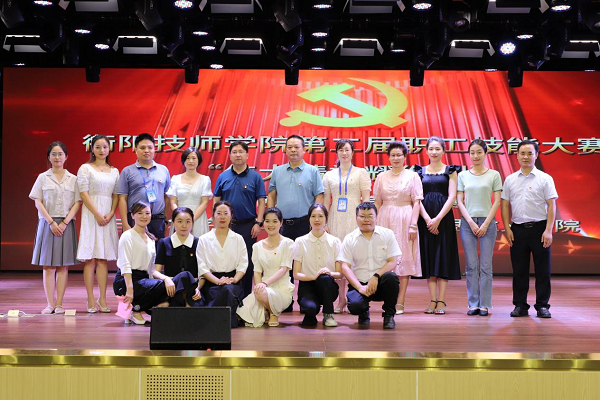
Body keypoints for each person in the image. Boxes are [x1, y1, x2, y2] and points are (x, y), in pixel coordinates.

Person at [501, 139, 558, 319]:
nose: (526, 157)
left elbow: (552, 205)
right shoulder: (510, 179)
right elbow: (504, 205)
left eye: (530, 153)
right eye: (522, 153)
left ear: (536, 155)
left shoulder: (545, 178)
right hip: (517, 229)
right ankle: (520, 305)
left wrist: (548, 230)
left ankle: (542, 306)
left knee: (543, 270)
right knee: (519, 270)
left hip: (540, 229)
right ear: (517, 155)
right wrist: (507, 228)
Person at [267, 134, 324, 311]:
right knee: (283, 263)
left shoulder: (312, 171)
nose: (293, 150)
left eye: (296, 147)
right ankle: (286, 301)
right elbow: (271, 195)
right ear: (285, 150)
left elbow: (319, 196)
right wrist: (271, 218)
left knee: (305, 263)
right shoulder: (278, 171)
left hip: (305, 224)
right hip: (283, 225)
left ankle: (307, 300)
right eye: (289, 147)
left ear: (304, 149)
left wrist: (316, 220)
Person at [113, 202, 190, 325]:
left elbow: (151, 270)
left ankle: (148, 308)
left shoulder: (151, 239)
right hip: (126, 281)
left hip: (143, 280)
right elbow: (125, 265)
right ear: (132, 215)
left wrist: (166, 279)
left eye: (147, 213)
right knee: (168, 288)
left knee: (177, 282)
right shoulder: (127, 236)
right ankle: (135, 309)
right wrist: (130, 290)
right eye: (140, 213)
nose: (144, 216)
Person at [30, 141, 81, 315]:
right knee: (48, 266)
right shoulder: (42, 177)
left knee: (62, 266)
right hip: (47, 223)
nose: (57, 157)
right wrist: (51, 222)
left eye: (60, 154)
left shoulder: (73, 179)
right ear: (49, 157)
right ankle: (49, 304)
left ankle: (59, 304)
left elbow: (77, 203)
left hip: (66, 224)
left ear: (66, 157)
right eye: (54, 154)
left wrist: (65, 222)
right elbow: (38, 201)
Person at [374, 141, 423, 315]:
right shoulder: (381, 177)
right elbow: (377, 202)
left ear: (404, 157)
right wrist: (374, 224)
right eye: (393, 155)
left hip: (405, 219)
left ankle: (400, 301)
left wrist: (413, 224)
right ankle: (388, 300)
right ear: (388, 157)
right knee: (386, 259)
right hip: (385, 218)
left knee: (404, 259)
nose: (396, 158)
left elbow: (416, 202)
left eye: (399, 155)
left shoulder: (413, 176)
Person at [322, 139, 371, 314]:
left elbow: (366, 199)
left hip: (354, 218)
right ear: (336, 152)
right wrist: (325, 222)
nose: (344, 153)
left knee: (354, 258)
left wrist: (365, 220)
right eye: (341, 150)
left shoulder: (361, 173)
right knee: (338, 258)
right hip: (335, 218)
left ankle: (355, 296)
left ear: (353, 152)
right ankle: (341, 299)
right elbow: (326, 200)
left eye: (347, 150)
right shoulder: (329, 175)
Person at [213, 141, 267, 298]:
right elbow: (217, 200)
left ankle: (245, 297)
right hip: (226, 226)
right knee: (227, 259)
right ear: (230, 155)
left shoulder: (255, 177)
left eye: (241, 152)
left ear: (247, 155)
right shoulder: (223, 176)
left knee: (247, 261)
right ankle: (228, 295)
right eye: (234, 152)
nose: (238, 155)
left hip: (248, 226)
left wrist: (258, 223)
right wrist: (216, 222)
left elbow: (261, 202)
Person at [414, 136, 461, 315]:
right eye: (431, 149)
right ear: (426, 151)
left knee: (443, 256)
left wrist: (438, 218)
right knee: (430, 256)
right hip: (425, 218)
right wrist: (427, 219)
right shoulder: (419, 171)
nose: (434, 152)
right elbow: (417, 197)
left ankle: (441, 300)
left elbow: (452, 196)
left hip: (444, 219)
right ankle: (432, 299)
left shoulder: (450, 171)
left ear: (443, 150)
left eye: (437, 149)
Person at [456, 139, 502, 316]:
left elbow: (497, 201)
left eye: (479, 152)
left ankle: (485, 304)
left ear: (485, 153)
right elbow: (459, 201)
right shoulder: (463, 175)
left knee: (485, 266)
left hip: (488, 223)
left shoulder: (494, 175)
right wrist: (471, 222)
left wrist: (486, 223)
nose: (475, 156)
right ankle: (473, 303)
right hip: (468, 224)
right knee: (471, 265)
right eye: (472, 152)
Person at [337, 202, 401, 329]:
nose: (366, 219)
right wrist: (360, 287)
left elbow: (392, 261)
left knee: (391, 278)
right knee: (355, 306)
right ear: (356, 218)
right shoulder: (349, 238)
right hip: (359, 283)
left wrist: (376, 276)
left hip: (380, 282)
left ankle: (389, 315)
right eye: (362, 216)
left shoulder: (387, 234)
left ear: (376, 217)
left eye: (370, 216)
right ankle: (363, 312)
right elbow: (344, 266)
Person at [76, 135, 119, 314]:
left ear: (109, 149)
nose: (102, 150)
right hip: (91, 214)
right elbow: (83, 193)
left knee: (103, 259)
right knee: (90, 258)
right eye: (98, 147)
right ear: (92, 149)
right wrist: (97, 214)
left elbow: (116, 195)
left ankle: (103, 298)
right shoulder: (85, 168)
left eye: (105, 147)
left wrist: (111, 213)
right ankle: (90, 299)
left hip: (107, 216)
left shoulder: (114, 171)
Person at [236, 208, 294, 327]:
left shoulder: (288, 243)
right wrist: (258, 287)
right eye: (267, 221)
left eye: (274, 221)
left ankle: (273, 312)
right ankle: (266, 309)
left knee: (261, 297)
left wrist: (265, 284)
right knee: (241, 311)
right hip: (263, 286)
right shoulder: (257, 246)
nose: (270, 225)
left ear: (281, 223)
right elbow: (257, 271)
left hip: (281, 287)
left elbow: (283, 269)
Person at [195, 201, 248, 328]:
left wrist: (233, 279)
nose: (222, 217)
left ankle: (217, 323)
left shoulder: (238, 239)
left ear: (231, 216)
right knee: (222, 291)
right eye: (219, 213)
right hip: (211, 282)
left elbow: (243, 264)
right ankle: (224, 323)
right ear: (213, 216)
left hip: (233, 281)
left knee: (228, 290)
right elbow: (202, 267)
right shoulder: (203, 239)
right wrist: (218, 281)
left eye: (225, 213)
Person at [293, 204, 343, 327]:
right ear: (309, 219)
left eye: (320, 216)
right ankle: (311, 313)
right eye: (313, 216)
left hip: (328, 286)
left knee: (324, 277)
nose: (317, 220)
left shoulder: (335, 241)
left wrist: (329, 273)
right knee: (310, 311)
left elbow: (340, 274)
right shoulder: (300, 241)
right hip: (307, 285)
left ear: (326, 219)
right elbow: (296, 274)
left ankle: (328, 314)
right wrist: (314, 277)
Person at [117, 133, 171, 240]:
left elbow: (167, 196)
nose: (146, 151)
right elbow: (122, 198)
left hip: (157, 220)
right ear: (136, 150)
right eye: (142, 148)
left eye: (150, 147)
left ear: (154, 149)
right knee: (135, 249)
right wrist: (125, 224)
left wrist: (165, 220)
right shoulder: (127, 171)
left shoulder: (163, 170)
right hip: (135, 220)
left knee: (156, 250)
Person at [154, 207, 204, 307]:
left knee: (186, 277)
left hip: (193, 287)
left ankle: (182, 303)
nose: (184, 225)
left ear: (192, 223)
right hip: (171, 286)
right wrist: (166, 279)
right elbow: (155, 271)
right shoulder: (164, 242)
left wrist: (198, 288)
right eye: (180, 221)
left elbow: (203, 273)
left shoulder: (199, 243)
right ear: (173, 222)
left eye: (188, 222)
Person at [167, 147, 212, 237]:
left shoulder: (205, 179)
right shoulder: (175, 179)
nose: (191, 161)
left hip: (198, 219)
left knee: (198, 243)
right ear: (183, 160)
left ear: (198, 160)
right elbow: (173, 202)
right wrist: (180, 218)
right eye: (188, 158)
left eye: (194, 158)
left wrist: (191, 220)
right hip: (179, 219)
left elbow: (204, 203)